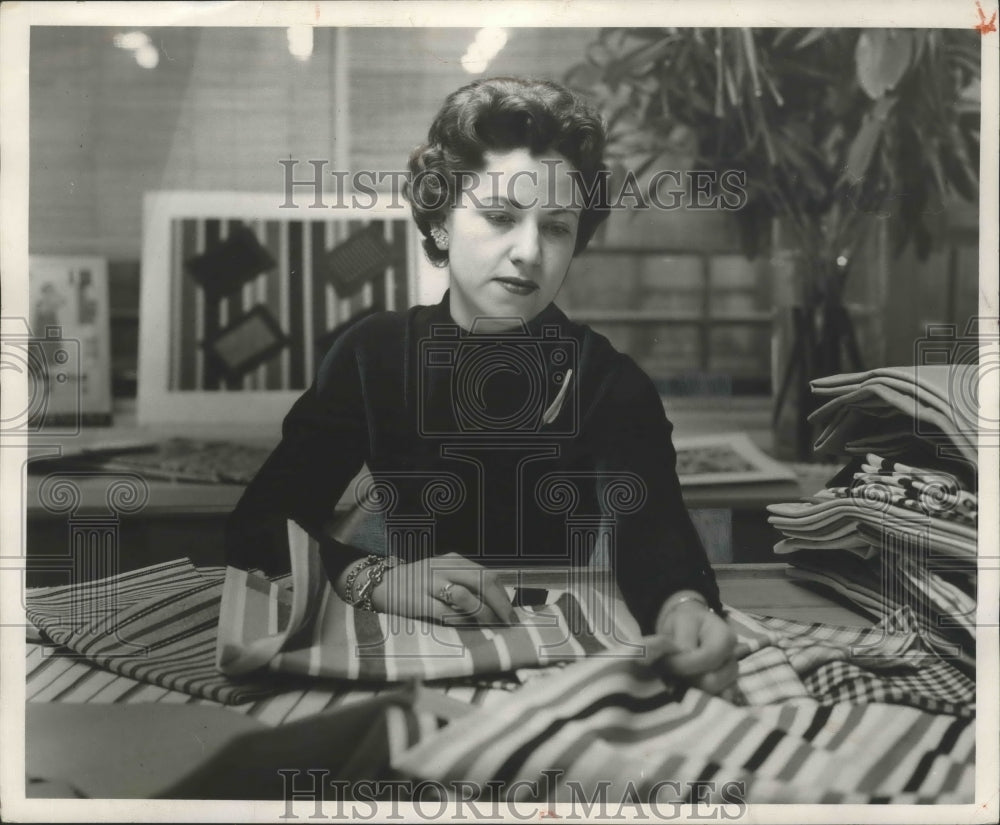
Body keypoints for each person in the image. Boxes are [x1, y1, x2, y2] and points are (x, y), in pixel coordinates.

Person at [226, 76, 737, 696]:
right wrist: (376, 578)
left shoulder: (606, 379)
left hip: (550, 659)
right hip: (401, 650)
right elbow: (259, 524)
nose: (529, 251)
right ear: (441, 222)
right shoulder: (375, 355)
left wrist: (683, 604)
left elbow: (654, 530)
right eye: (500, 216)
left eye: (556, 228)